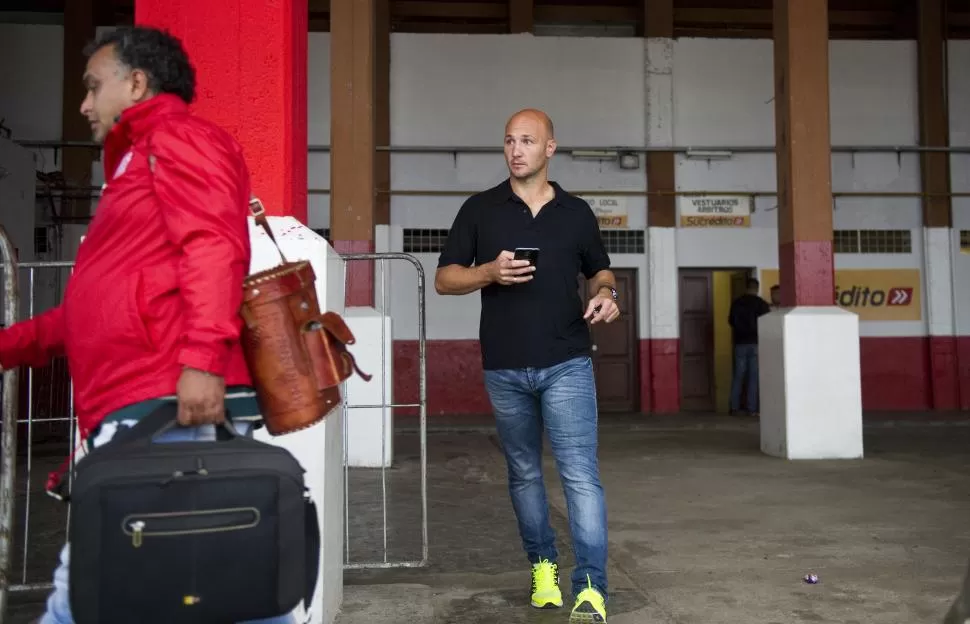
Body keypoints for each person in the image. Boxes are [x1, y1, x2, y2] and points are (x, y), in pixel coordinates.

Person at [0, 26, 293, 624]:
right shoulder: (136, 161)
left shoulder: (178, 137)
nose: (83, 104)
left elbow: (214, 244)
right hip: (145, 407)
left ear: (135, 83)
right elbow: (98, 310)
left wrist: (201, 362)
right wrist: (10, 345)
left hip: (162, 407)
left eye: (92, 86)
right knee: (225, 587)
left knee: (85, 596)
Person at [435, 108, 616, 623]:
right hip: (506, 365)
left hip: (566, 361)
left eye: (528, 141)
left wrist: (608, 293)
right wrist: (489, 271)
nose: (516, 150)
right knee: (523, 473)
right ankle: (543, 568)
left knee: (580, 475)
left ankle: (591, 589)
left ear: (550, 148)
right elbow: (445, 278)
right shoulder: (480, 209)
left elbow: (600, 269)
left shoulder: (576, 213)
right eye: (510, 141)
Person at [728, 277, 771, 416]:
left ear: (746, 288)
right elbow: (766, 324)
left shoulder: (737, 303)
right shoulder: (762, 304)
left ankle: (734, 407)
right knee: (753, 377)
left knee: (739, 375)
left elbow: (731, 321)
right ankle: (751, 409)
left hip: (740, 343)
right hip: (756, 343)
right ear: (757, 289)